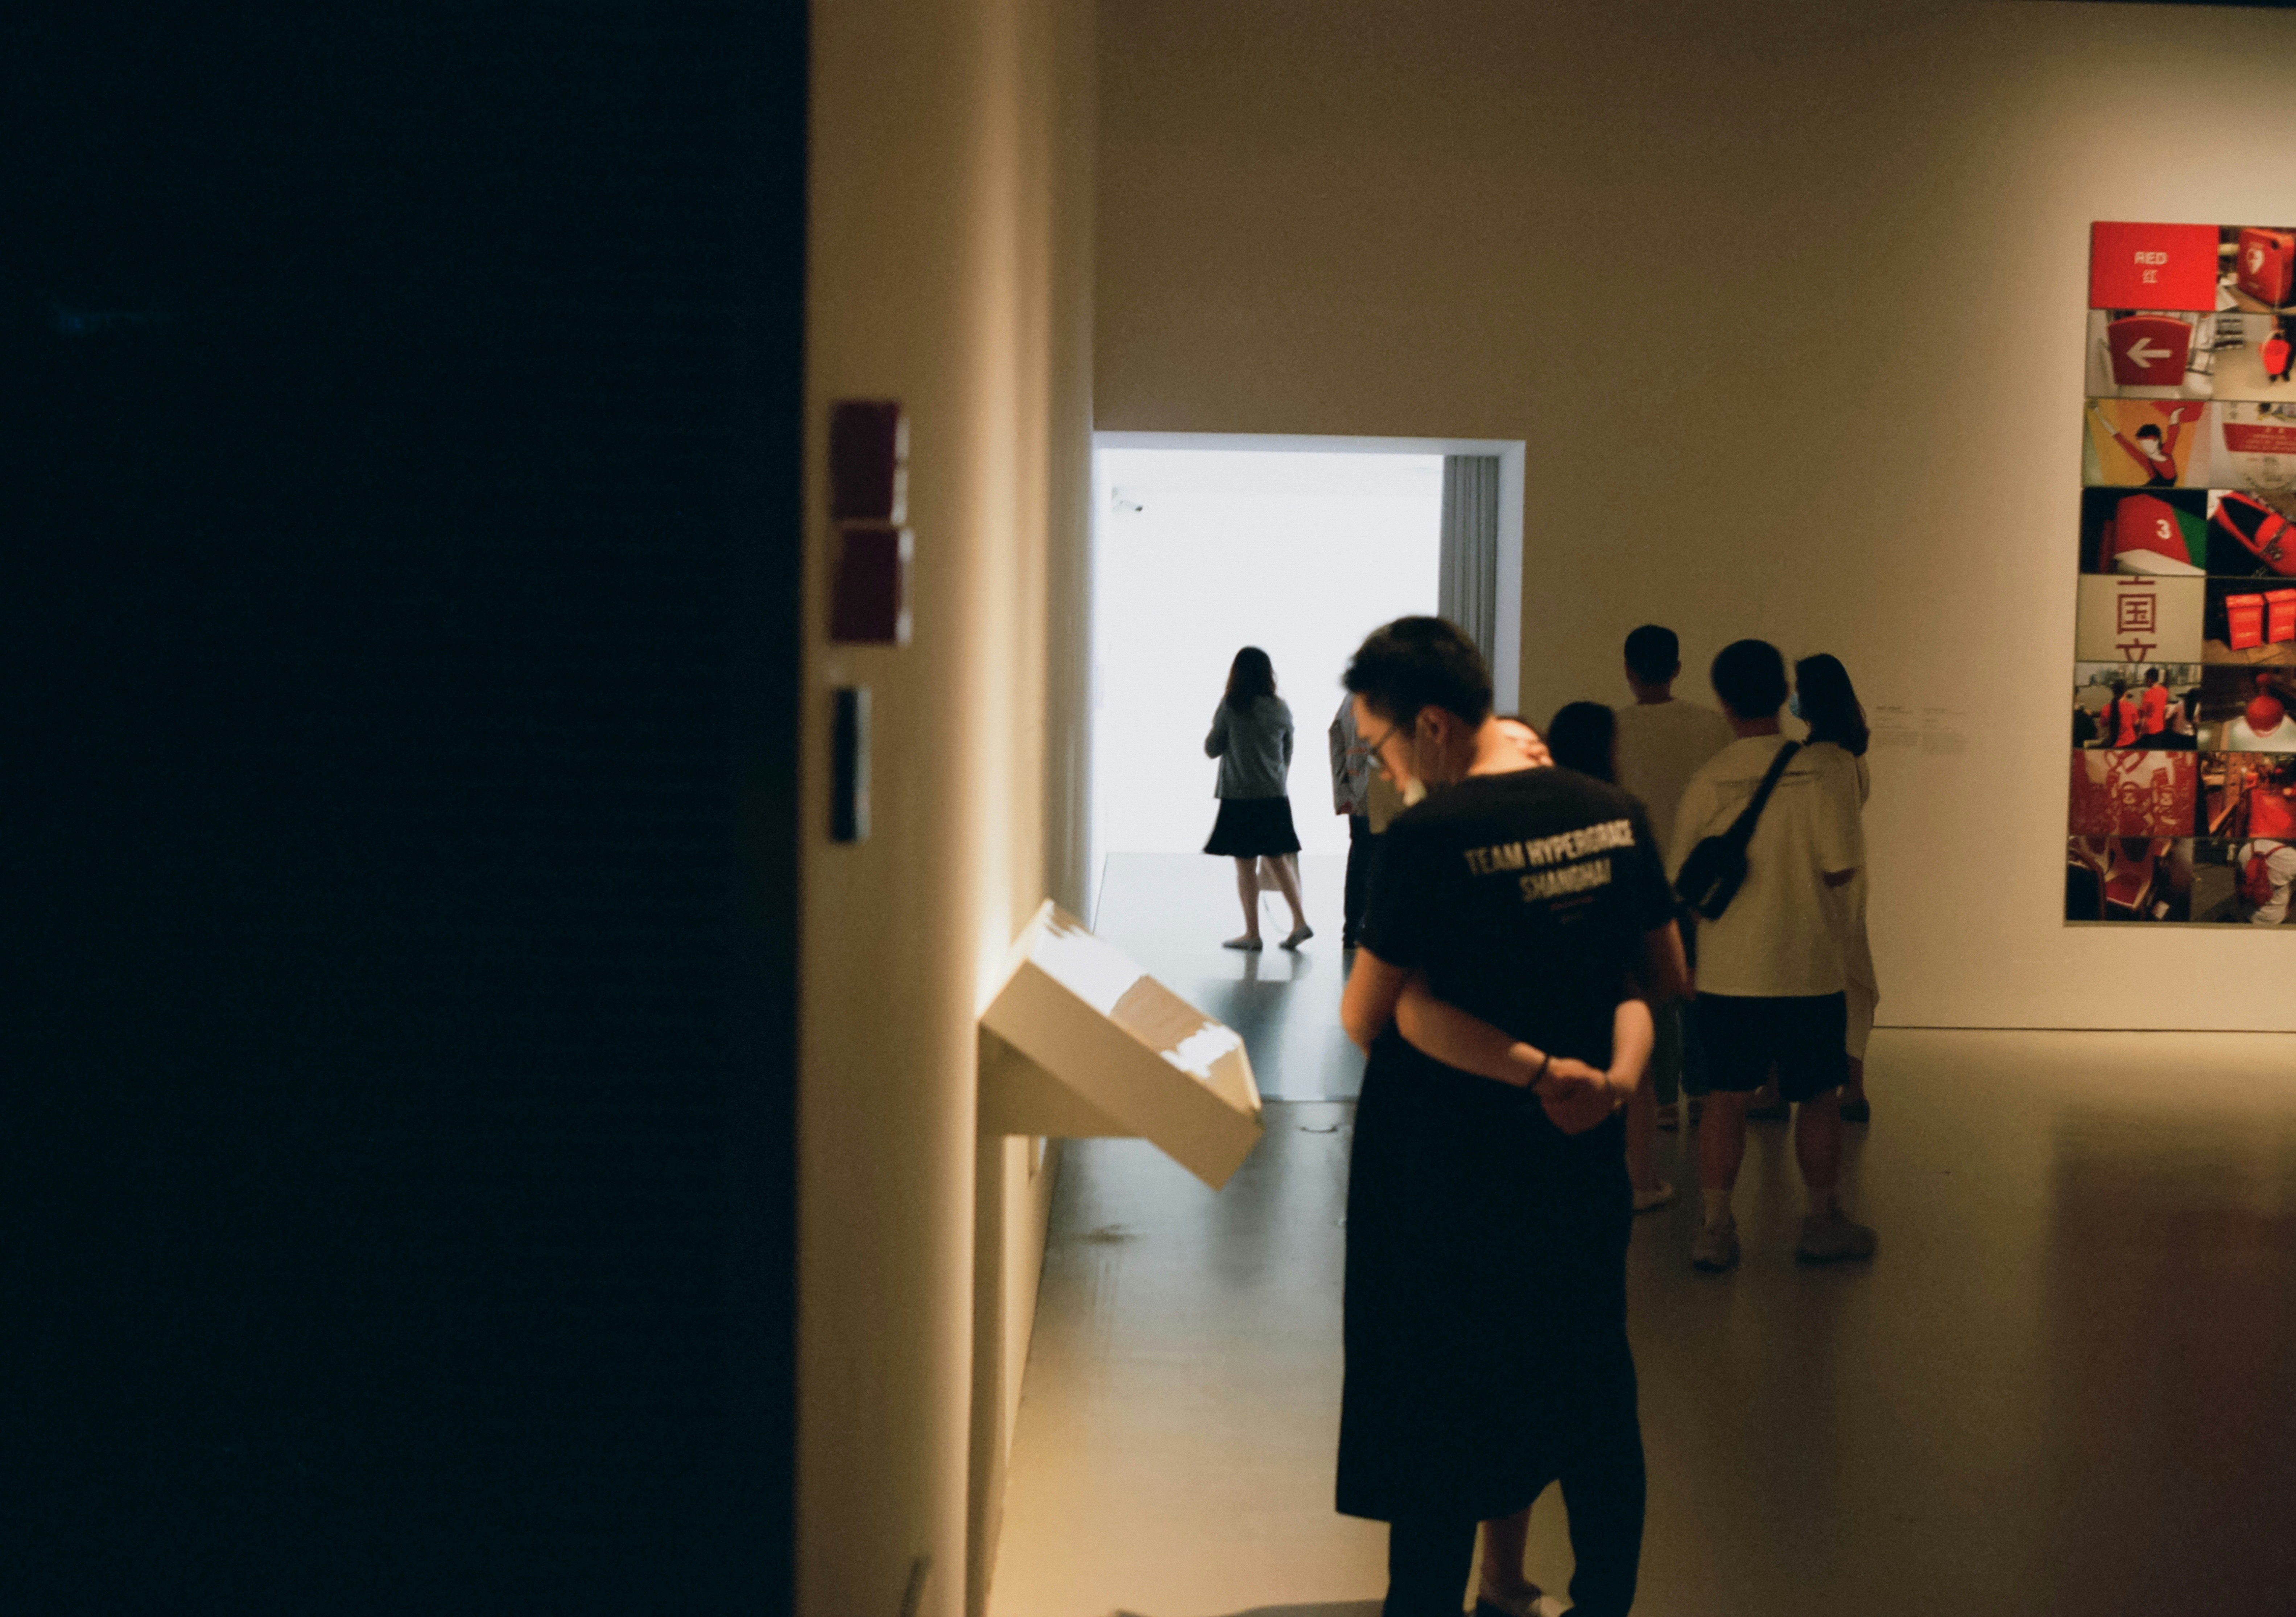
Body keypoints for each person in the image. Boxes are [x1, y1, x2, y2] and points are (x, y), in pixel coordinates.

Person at [1335, 616, 1687, 1617]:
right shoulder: (1612, 811)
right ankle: (1601, 1598)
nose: (1386, 769)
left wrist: (1514, 1060)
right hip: (1577, 1163)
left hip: (1449, 1167)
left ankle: (1429, 1602)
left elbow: (1367, 1017)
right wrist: (1606, 1084)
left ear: (1434, 725)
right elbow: (1660, 976)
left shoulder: (1427, 838)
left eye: (1382, 746)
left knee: (1445, 1401)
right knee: (1590, 1392)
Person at [1670, 639, 1876, 1271]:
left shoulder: (1707, 780)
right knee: (1816, 1096)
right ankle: (1818, 1219)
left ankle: (1714, 1227)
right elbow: (1842, 869)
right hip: (1809, 968)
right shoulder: (1820, 772)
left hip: (1731, 972)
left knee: (1727, 1096)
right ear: (1782, 692)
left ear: (1723, 701)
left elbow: (1682, 880)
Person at [1544, 700, 1675, 1213]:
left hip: (1550, 963)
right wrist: (1665, 977)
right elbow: (1649, 905)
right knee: (1635, 1076)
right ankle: (1639, 1181)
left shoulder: (1536, 812)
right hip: (1613, 964)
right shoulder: (1622, 811)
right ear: (1609, 747)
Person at [1611, 625, 1733, 1134]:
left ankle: (1661, 1100)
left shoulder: (1615, 728)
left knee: (1653, 991)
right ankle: (1702, 1091)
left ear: (1629, 670)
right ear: (1679, 667)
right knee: (1698, 988)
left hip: (1640, 882)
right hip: (1700, 882)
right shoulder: (1711, 727)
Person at [1794, 654, 1880, 1123]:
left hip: (1823, 886)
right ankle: (1854, 1086)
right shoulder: (1852, 755)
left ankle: (1797, 1089)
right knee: (1852, 986)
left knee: (1811, 989)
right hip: (1849, 886)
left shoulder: (1819, 759)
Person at [1203, 646, 1310, 950]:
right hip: (1275, 795)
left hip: (1239, 795)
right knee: (1278, 859)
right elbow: (1288, 751)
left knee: (1245, 866)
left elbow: (1212, 748)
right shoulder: (1281, 707)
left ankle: (1252, 933)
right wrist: (1277, 777)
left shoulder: (1232, 706)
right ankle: (1300, 922)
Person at [1331, 693, 1377, 949]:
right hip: (1389, 794)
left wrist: (1343, 789)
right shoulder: (1395, 692)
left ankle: (1352, 930)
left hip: (1358, 792)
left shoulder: (1351, 698)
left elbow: (1336, 737)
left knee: (1360, 858)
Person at [2088, 401, 2192, 486]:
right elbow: (2118, 437)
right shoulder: (2145, 460)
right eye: (2143, 443)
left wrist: (2176, 413)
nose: (2146, 447)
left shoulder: (2166, 451)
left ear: (2157, 441)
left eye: (2149, 443)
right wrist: (2098, 412)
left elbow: (2173, 432)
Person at [2138, 665, 2170, 742]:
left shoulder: (2148, 694)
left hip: (2149, 730)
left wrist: (2140, 732)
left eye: (2146, 679)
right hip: (2161, 728)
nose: (2145, 682)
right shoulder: (2164, 691)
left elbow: (2144, 714)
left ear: (2150, 680)